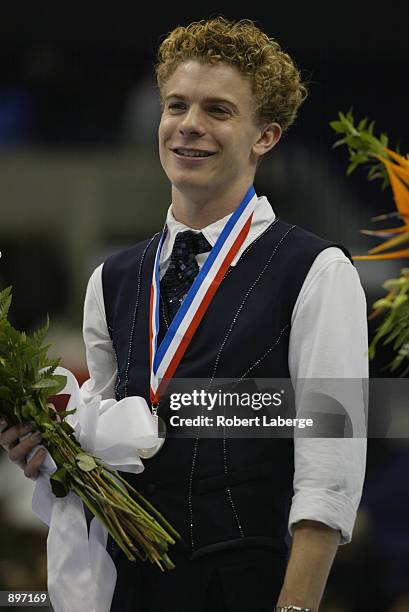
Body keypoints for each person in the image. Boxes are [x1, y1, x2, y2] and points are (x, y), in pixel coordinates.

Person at [0, 16, 368, 612]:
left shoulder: (317, 272)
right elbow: (104, 442)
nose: (189, 126)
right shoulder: (112, 279)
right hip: (129, 586)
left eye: (218, 110)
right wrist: (47, 452)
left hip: (250, 585)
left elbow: (330, 474)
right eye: (177, 105)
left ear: (265, 136)